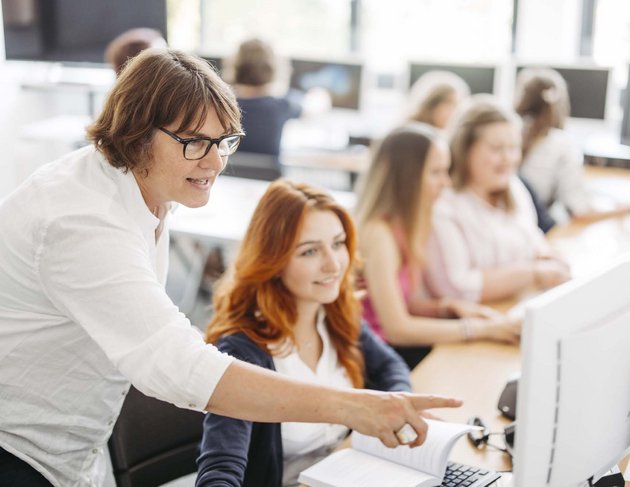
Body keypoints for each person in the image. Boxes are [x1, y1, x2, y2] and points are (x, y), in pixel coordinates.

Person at [0, 49, 459, 487]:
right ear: (136, 134)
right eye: (197, 142)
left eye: (224, 142)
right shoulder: (82, 221)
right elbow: (179, 366)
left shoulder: (148, 185)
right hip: (17, 446)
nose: (217, 161)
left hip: (73, 444)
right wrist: (351, 408)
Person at [196, 180, 413, 487]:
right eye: (310, 251)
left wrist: (397, 411)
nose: (333, 264)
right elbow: (220, 469)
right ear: (273, 261)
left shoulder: (336, 316)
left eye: (338, 244)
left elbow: (391, 368)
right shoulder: (243, 351)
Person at [356, 123, 521, 369]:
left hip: (396, 349)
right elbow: (396, 328)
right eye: (436, 173)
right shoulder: (378, 233)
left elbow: (404, 302)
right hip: (378, 357)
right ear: (407, 178)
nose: (446, 182)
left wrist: (446, 308)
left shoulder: (407, 224)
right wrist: (482, 329)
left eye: (446, 171)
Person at [425, 96, 571, 303]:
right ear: (464, 150)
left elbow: (532, 236)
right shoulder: (444, 206)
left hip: (520, 303)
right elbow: (456, 287)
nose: (509, 158)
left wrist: (545, 253)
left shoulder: (514, 187)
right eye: (497, 149)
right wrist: (533, 273)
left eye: (513, 148)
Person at [514, 67, 630, 224]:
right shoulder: (561, 143)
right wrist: (627, 209)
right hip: (533, 228)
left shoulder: (508, 131)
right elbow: (580, 212)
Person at [406, 70, 470, 130]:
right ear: (431, 105)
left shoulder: (446, 136)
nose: (454, 111)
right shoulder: (411, 133)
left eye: (456, 105)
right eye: (448, 103)